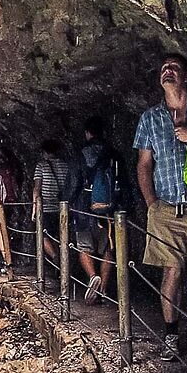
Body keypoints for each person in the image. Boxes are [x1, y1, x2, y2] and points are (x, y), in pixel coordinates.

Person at [133, 53, 187, 362]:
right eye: (163, 68)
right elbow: (144, 164)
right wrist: (150, 204)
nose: (167, 72)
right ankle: (172, 333)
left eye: (174, 68)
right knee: (172, 271)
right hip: (166, 207)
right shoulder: (150, 118)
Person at [74, 120, 118, 302]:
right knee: (108, 249)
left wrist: (69, 203)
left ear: (87, 133)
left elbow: (74, 183)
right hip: (108, 210)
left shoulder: (81, 154)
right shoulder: (113, 154)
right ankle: (104, 291)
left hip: (85, 210)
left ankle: (93, 277)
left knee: (84, 247)